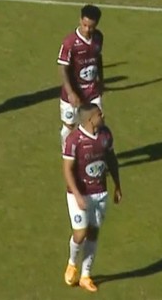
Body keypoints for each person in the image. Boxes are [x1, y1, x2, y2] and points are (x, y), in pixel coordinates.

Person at [62, 104, 122, 292]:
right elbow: (67, 170)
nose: (103, 115)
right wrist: (78, 195)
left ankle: (86, 275)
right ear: (90, 119)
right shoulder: (74, 140)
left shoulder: (105, 134)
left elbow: (111, 158)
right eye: (99, 114)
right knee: (80, 233)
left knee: (94, 233)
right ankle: (72, 263)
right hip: (78, 194)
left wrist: (117, 185)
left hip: (100, 192)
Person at [57, 5, 104, 146]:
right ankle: (69, 156)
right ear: (80, 20)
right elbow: (62, 67)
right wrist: (71, 93)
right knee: (69, 127)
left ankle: (97, 155)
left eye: (91, 26)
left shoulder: (98, 37)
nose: (87, 29)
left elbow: (98, 58)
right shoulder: (70, 43)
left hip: (92, 90)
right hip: (73, 91)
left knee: (98, 123)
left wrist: (101, 80)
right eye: (84, 25)